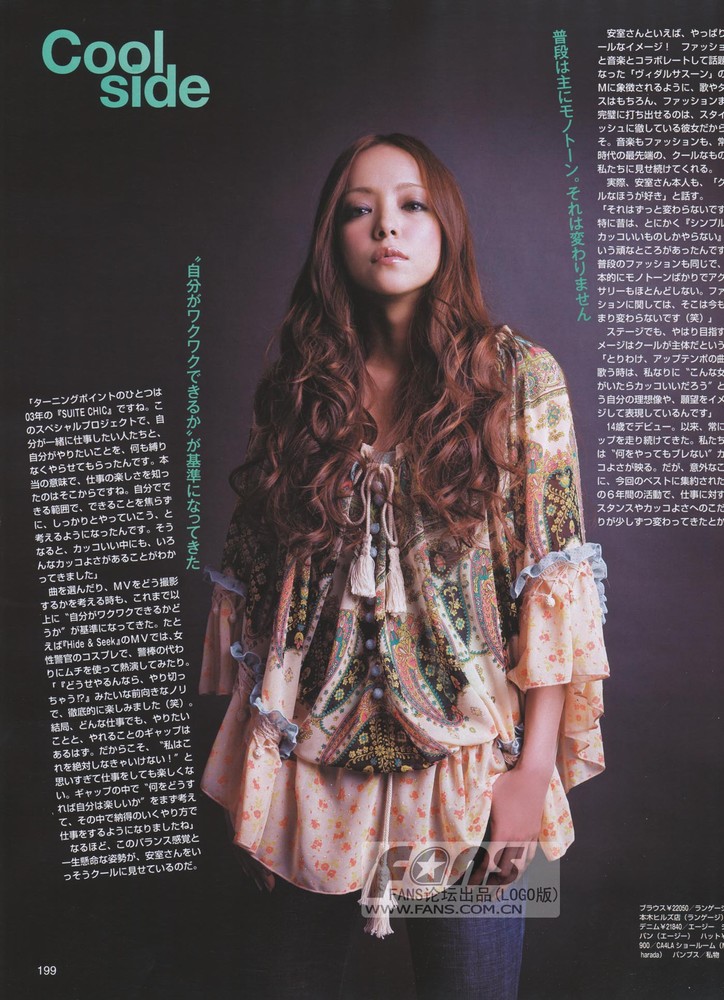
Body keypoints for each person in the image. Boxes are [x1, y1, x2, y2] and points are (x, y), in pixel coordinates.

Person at [198, 133, 609, 1000]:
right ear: (334, 240)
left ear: (445, 226)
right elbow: (263, 597)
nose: (386, 226)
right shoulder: (302, 390)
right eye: (360, 210)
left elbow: (553, 582)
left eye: (412, 205)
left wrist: (532, 773)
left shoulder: (521, 377)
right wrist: (254, 782)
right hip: (309, 776)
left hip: (473, 776)